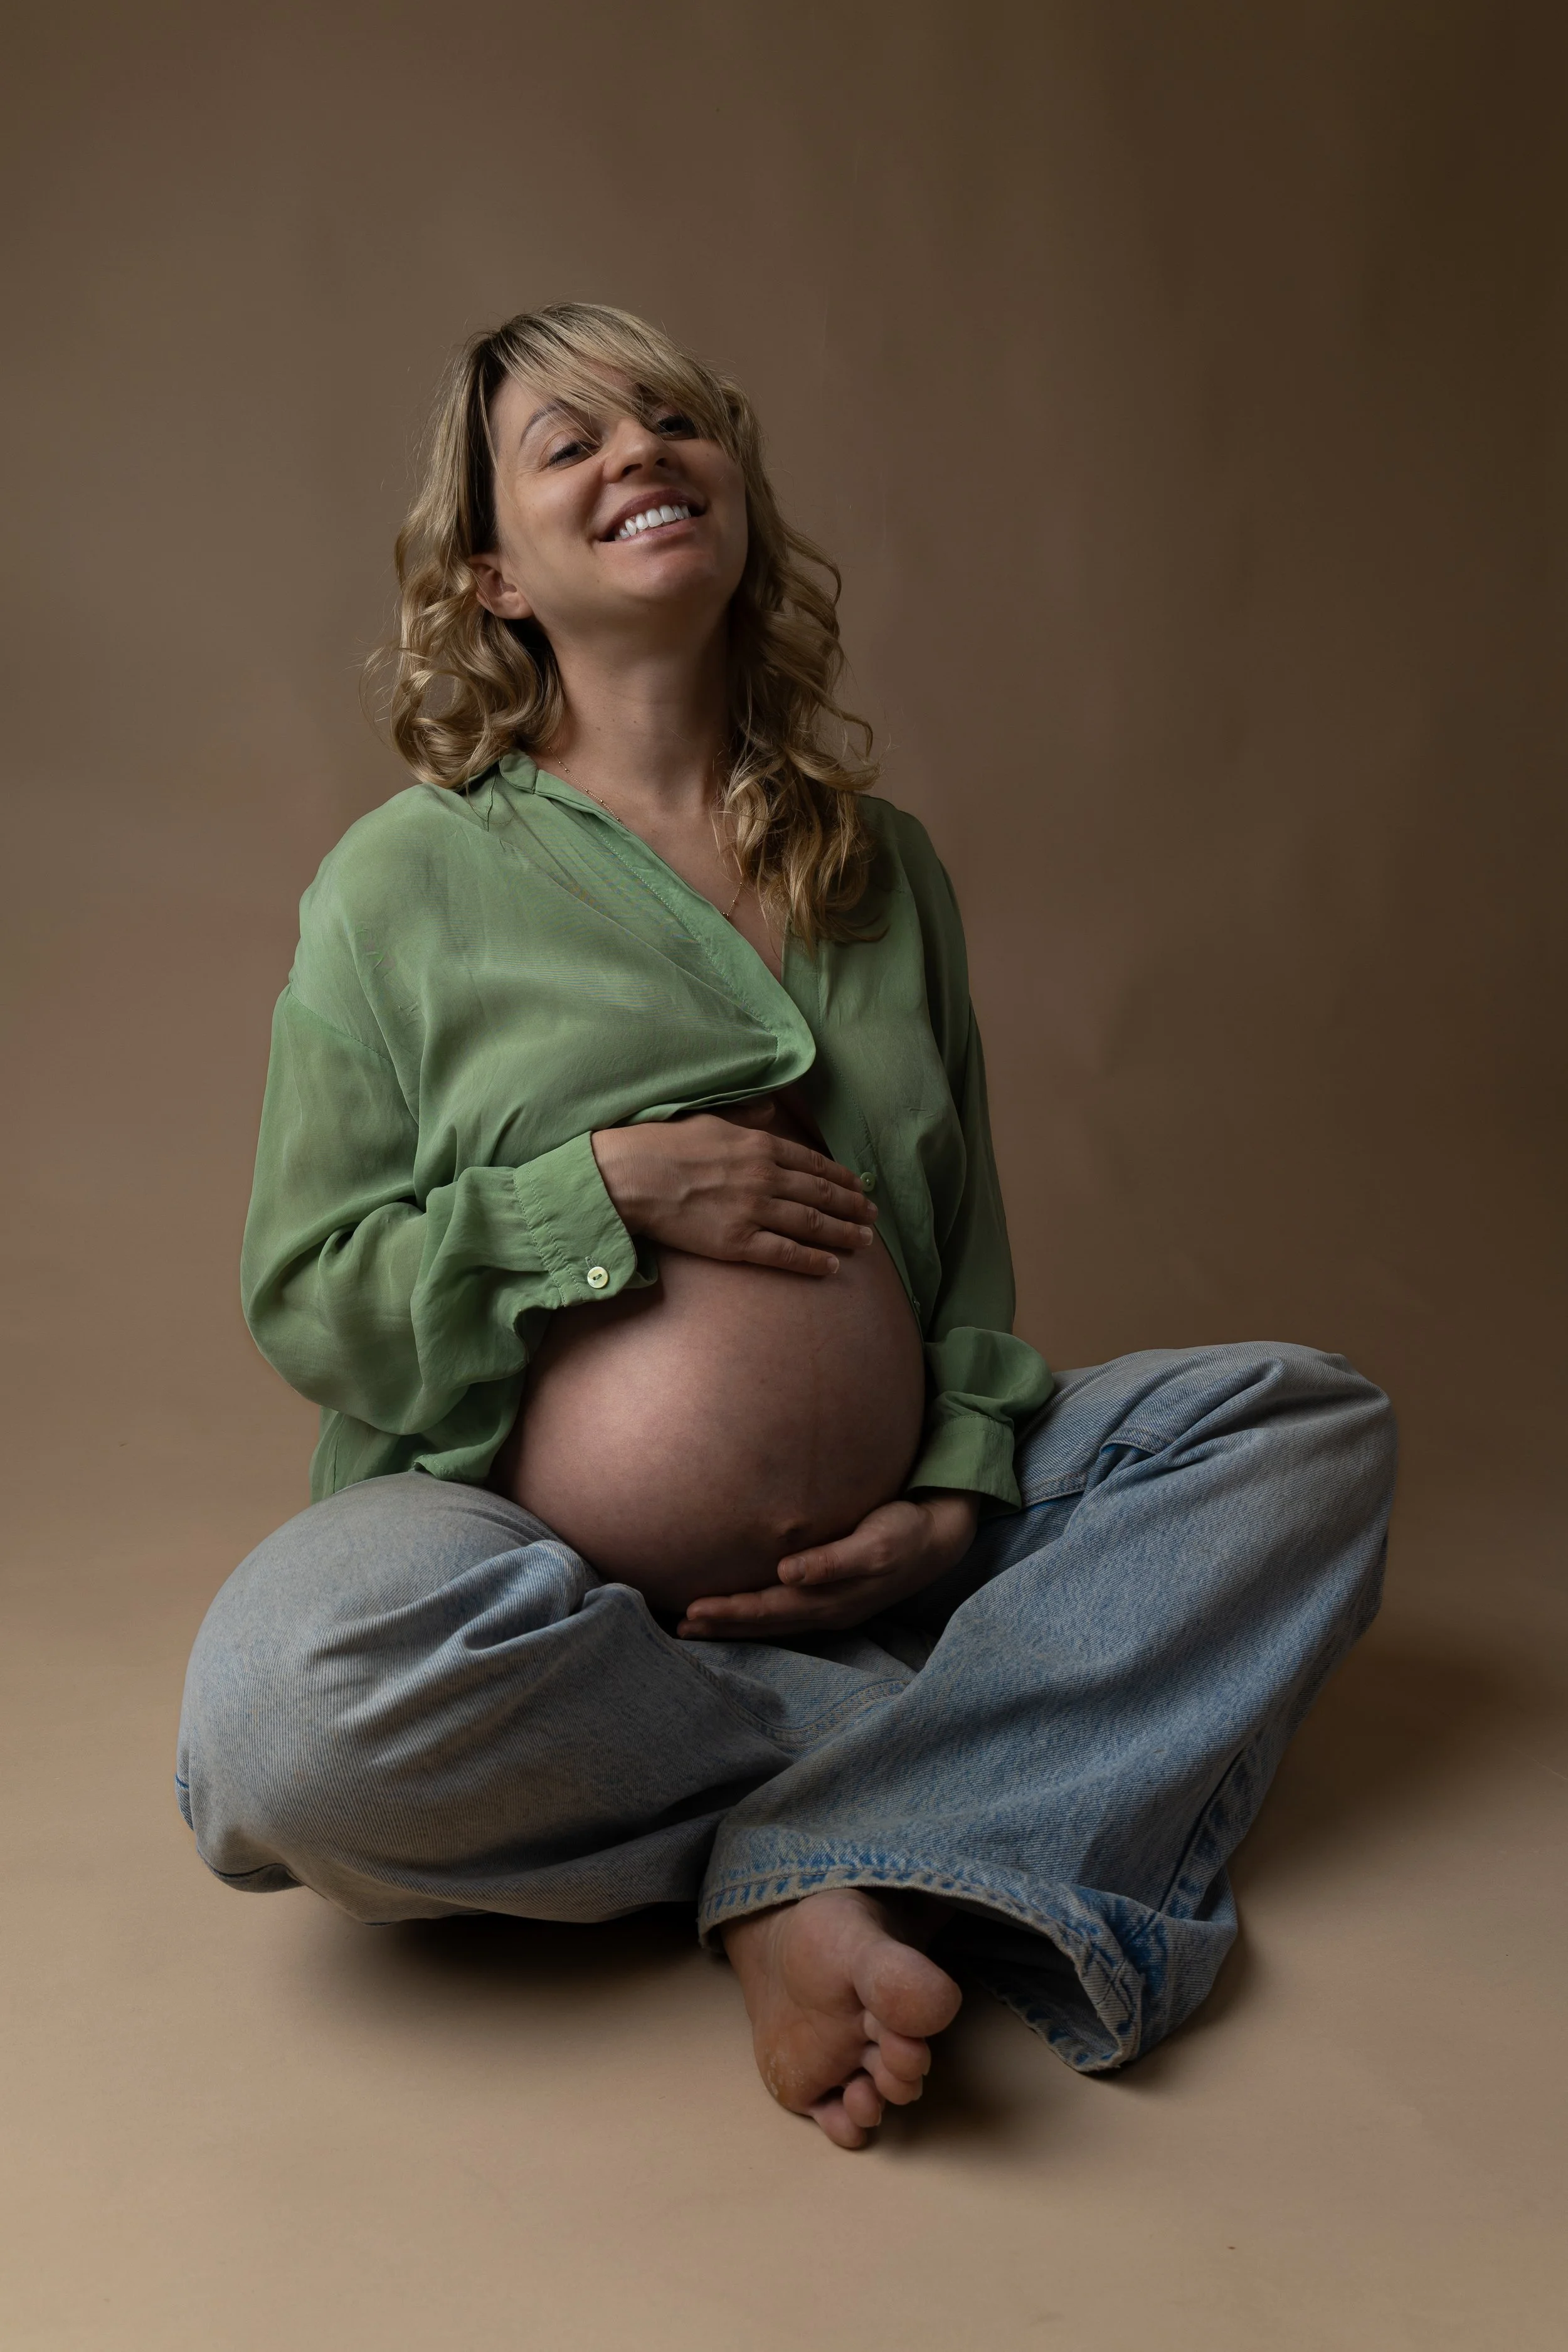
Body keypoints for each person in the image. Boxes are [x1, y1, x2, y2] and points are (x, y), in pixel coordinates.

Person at [177, 304, 1396, 2149]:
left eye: (674, 418)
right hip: (537, 1579)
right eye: (571, 441)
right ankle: (911, 1791)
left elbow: (963, 1248)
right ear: (495, 577)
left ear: (733, 490)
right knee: (285, 1724)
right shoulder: (399, 885)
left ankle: (797, 1843)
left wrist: (959, 1488)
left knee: (1303, 1431)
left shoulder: (879, 866)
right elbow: (311, 1296)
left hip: (908, 1561)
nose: (641, 452)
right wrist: (596, 1193)